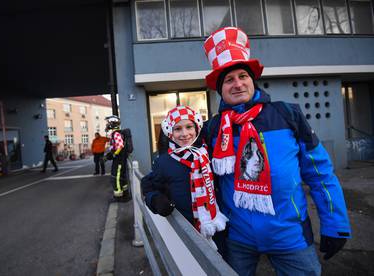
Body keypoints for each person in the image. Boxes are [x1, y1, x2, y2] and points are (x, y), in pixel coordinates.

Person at [201, 27, 351, 275]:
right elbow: (185, 164)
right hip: (237, 237)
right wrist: (154, 190)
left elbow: (320, 173)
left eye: (242, 76)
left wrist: (335, 224)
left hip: (289, 236)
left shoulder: (287, 114)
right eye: (229, 80)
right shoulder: (213, 128)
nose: (237, 84)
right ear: (221, 89)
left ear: (253, 80)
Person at [141, 106, 228, 245]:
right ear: (170, 132)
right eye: (178, 129)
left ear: (197, 129)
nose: (185, 133)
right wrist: (156, 200)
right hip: (186, 232)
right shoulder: (163, 161)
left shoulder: (210, 155)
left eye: (189, 127)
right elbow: (150, 187)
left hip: (218, 228)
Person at [105, 115, 130, 201]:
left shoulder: (116, 134)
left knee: (116, 177)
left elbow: (120, 146)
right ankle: (125, 194)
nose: (107, 125)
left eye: (108, 123)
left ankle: (119, 197)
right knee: (121, 177)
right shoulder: (115, 133)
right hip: (120, 159)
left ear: (113, 124)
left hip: (119, 159)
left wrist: (114, 154)